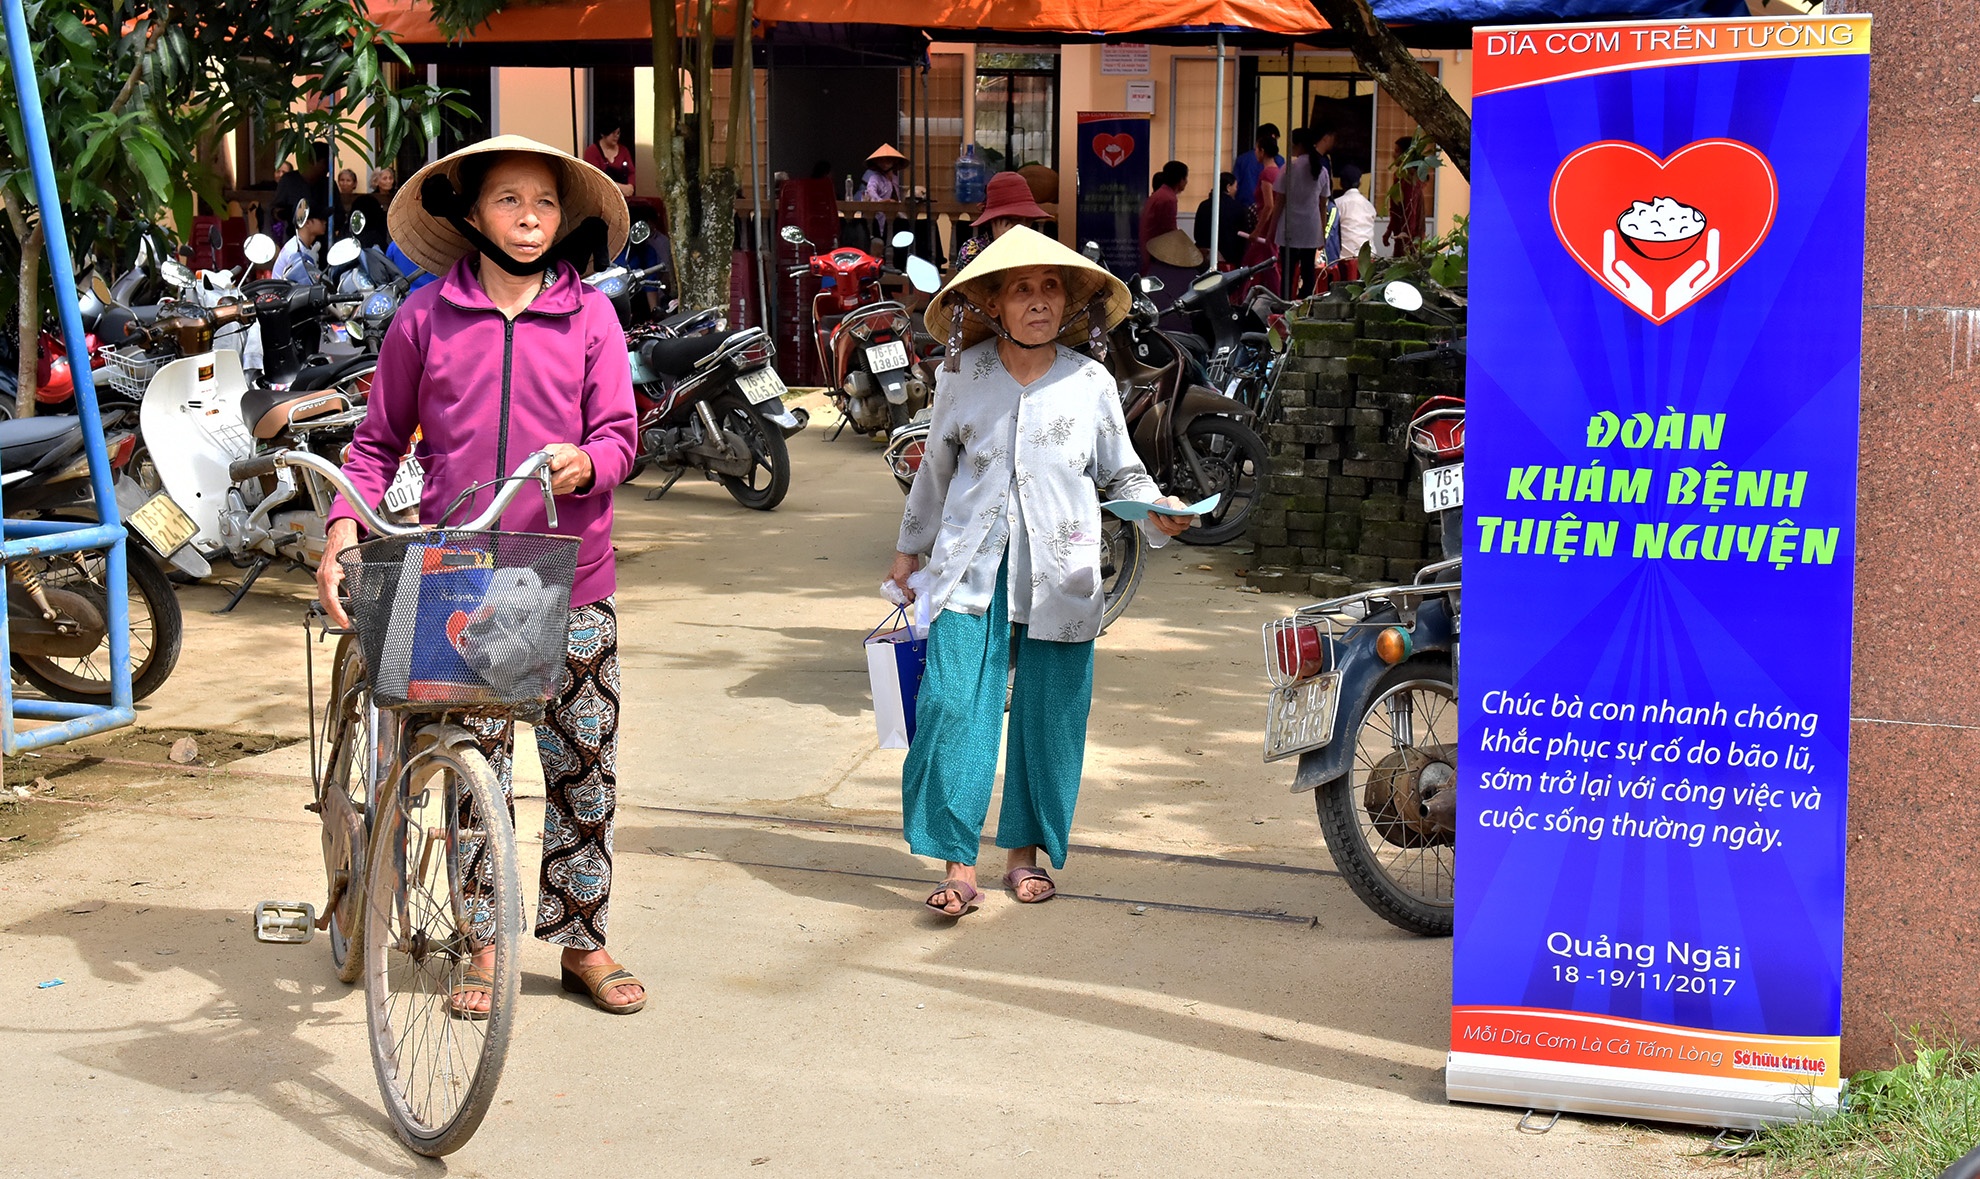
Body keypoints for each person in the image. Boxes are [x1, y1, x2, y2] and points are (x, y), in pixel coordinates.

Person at [317, 135, 642, 1016]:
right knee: (474, 767)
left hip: (570, 576)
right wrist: (343, 524)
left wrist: (589, 462)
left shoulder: (591, 319)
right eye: (508, 199)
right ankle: (482, 942)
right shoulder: (426, 316)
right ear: (470, 214)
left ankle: (582, 940)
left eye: (543, 200)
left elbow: (620, 431)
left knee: (582, 766)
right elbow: (378, 444)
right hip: (465, 576)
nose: (529, 215)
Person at [891, 227, 1196, 916]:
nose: (1038, 301)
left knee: (1049, 713)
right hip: (970, 567)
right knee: (949, 704)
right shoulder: (962, 377)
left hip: (1061, 574)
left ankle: (1021, 855)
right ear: (994, 304)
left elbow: (1123, 471)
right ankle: (957, 863)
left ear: (1069, 303)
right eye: (1021, 288)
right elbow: (934, 471)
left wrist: (1161, 511)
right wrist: (909, 552)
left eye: (1051, 287)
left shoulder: (1090, 382)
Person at [1273, 127, 1335, 297]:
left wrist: (1271, 231)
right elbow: (1323, 204)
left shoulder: (1288, 168)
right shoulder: (1321, 170)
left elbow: (1279, 203)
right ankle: (1305, 304)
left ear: (1298, 144)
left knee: (1287, 273)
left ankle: (1284, 304)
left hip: (1289, 228)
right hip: (1311, 228)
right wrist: (1322, 234)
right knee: (1308, 273)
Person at [952, 169, 1049, 273]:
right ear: (995, 220)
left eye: (1029, 219)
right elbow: (979, 286)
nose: (1024, 225)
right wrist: (1002, 247)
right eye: (1015, 219)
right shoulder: (972, 250)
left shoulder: (1038, 248)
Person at [1385, 135, 1432, 255]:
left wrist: (1407, 236)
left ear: (1406, 155)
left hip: (1408, 239)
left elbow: (1410, 210)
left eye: (1397, 151)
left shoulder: (1409, 180)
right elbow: (1396, 209)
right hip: (1401, 234)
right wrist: (1389, 230)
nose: (1393, 155)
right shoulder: (1400, 177)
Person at [1138, 161, 1187, 271]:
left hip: (1148, 248)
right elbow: (1169, 230)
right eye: (1185, 178)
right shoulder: (1168, 199)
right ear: (1180, 179)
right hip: (1157, 253)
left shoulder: (1159, 194)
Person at [1193, 171, 1245, 269]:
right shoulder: (1238, 207)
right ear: (1228, 187)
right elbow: (1241, 235)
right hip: (1229, 257)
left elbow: (1197, 233)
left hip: (1204, 255)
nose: (1236, 189)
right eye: (1235, 186)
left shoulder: (1204, 205)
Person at [1234, 124, 1282, 226]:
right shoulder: (1278, 162)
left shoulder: (1242, 159)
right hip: (1269, 215)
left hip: (1245, 210)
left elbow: (1235, 186)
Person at [1333, 164, 1376, 280]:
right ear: (1360, 182)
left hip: (1345, 259)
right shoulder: (1369, 205)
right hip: (1370, 256)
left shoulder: (1337, 204)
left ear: (1341, 183)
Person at [583, 114, 637, 199]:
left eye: (618, 133)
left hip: (624, 198)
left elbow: (631, 172)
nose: (617, 136)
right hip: (601, 198)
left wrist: (630, 186)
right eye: (613, 133)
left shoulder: (624, 150)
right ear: (603, 134)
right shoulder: (592, 151)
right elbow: (594, 177)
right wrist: (619, 187)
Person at [272, 204, 327, 283]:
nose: (325, 222)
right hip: (284, 293)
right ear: (307, 223)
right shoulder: (294, 251)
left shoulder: (305, 246)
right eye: (321, 219)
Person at [352, 167, 394, 250]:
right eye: (385, 178)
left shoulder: (396, 196)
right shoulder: (370, 200)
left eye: (390, 178)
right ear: (376, 181)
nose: (388, 181)